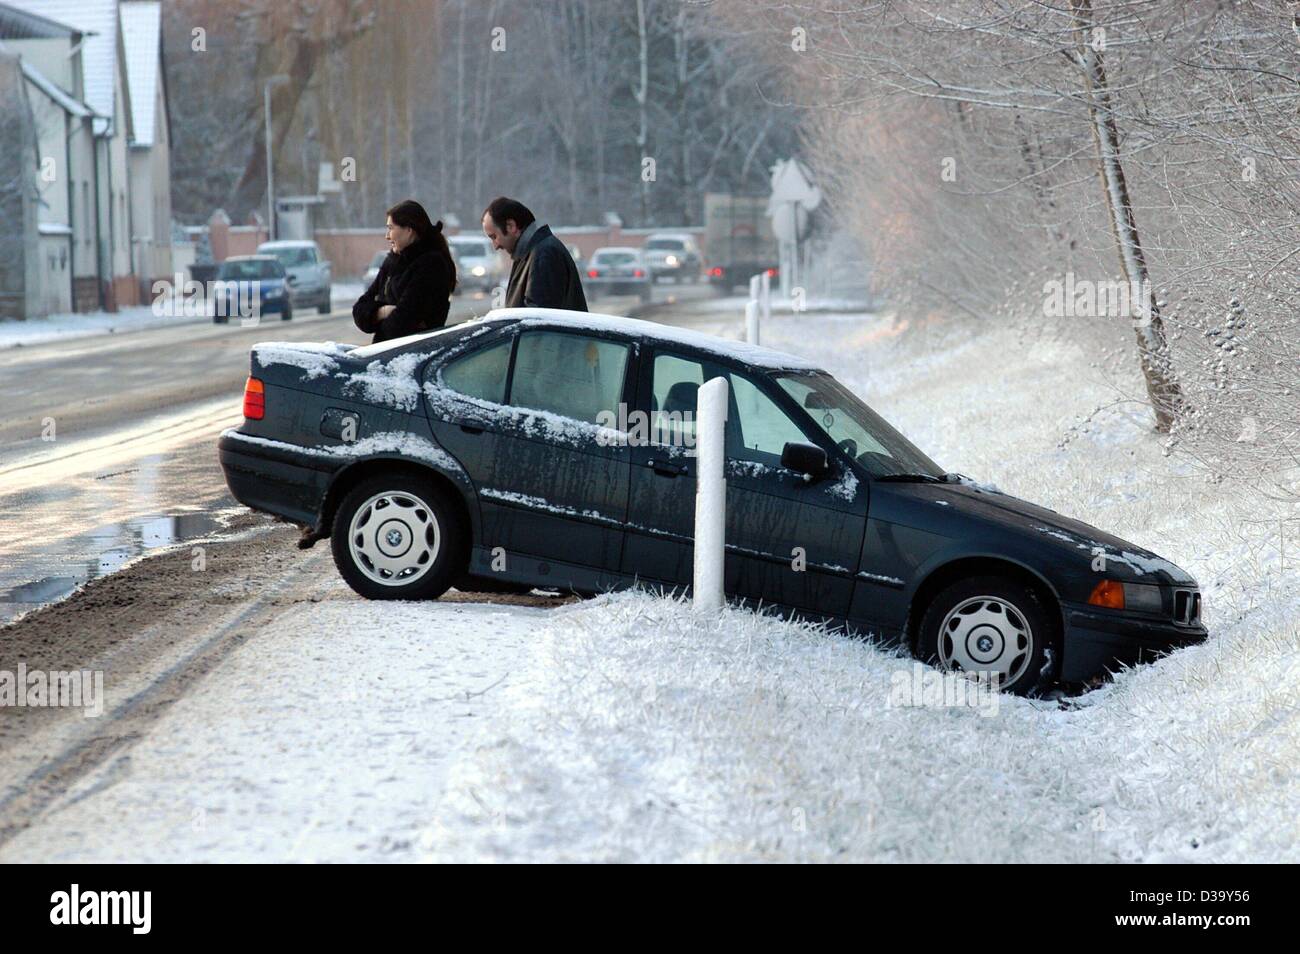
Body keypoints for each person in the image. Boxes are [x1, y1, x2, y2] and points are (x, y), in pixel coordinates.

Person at [353, 199, 457, 343]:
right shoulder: (391, 262)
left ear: (409, 230)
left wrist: (377, 317)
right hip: (388, 353)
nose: (387, 236)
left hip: (416, 354)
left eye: (391, 228)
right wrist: (383, 312)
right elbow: (359, 309)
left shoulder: (431, 265)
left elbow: (402, 323)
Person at [482, 197, 587, 311]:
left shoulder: (544, 255)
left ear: (511, 226)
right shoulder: (533, 253)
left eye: (494, 237)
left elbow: (538, 319)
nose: (495, 246)